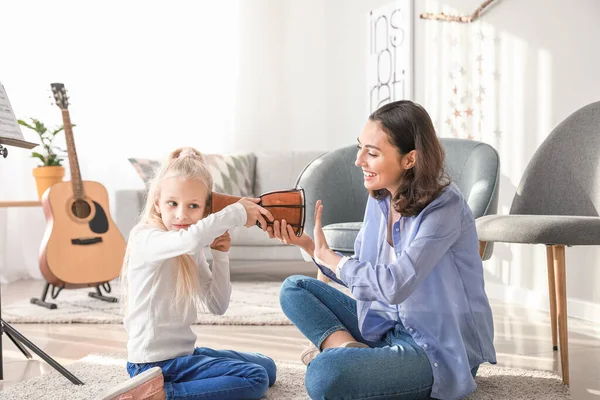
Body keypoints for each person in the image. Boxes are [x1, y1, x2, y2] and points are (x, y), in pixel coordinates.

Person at [269, 100, 497, 400]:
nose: (358, 160)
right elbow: (365, 274)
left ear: (409, 159)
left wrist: (333, 259)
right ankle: (350, 351)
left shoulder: (445, 207)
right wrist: (314, 249)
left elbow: (394, 285)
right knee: (294, 289)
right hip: (387, 326)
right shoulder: (380, 198)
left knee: (324, 375)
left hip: (437, 348)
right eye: (360, 147)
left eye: (372, 153)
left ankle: (351, 358)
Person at [96, 147, 277, 400]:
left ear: (205, 211)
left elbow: (218, 306)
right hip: (151, 364)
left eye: (193, 206)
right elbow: (191, 239)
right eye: (172, 203)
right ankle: (160, 394)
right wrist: (237, 210)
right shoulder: (145, 238)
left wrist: (221, 256)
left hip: (182, 356)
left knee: (267, 367)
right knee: (255, 378)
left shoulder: (190, 248)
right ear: (158, 204)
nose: (181, 214)